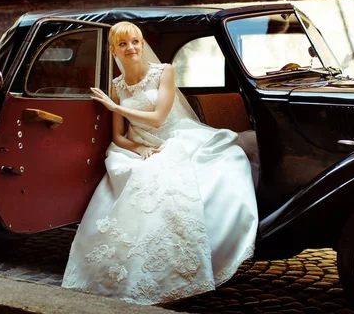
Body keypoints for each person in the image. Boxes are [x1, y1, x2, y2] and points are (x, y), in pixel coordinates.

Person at [61, 21, 258, 305]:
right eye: (123, 43)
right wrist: (138, 146)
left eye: (135, 42)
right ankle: (124, 272)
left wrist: (115, 107)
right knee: (137, 179)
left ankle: (184, 264)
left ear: (142, 44)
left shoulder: (164, 72)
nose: (131, 48)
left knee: (220, 163)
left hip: (173, 136)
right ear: (113, 49)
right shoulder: (116, 86)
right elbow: (118, 136)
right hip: (141, 145)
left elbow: (158, 118)